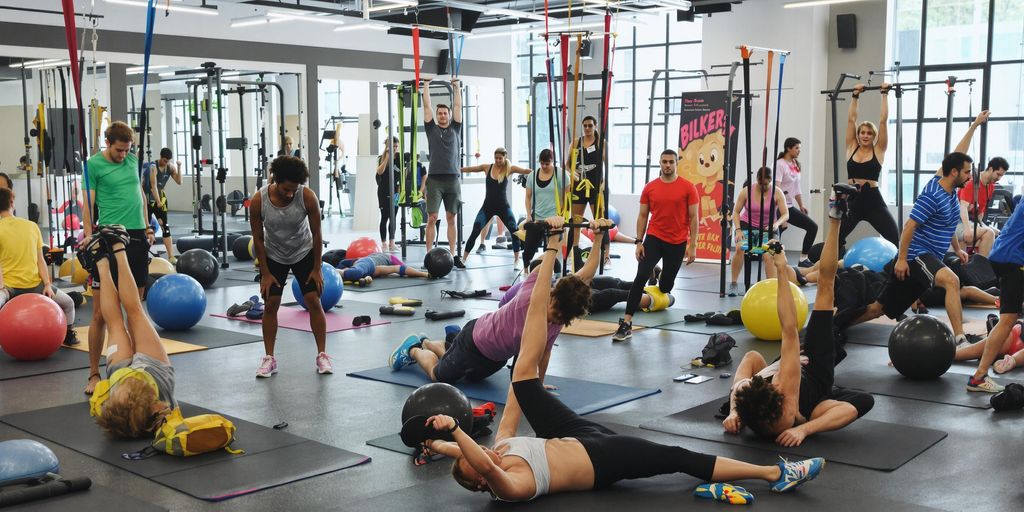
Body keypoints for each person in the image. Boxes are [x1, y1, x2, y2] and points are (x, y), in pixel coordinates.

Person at [420, 233, 824, 501]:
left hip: (570, 434)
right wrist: (455, 429)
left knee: (523, 380)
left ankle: (550, 249)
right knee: (675, 456)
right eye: (477, 464)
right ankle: (774, 473)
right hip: (599, 458)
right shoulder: (510, 487)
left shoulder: (499, 449)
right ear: (480, 481)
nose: (481, 456)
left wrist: (435, 443)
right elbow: (481, 462)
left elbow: (473, 450)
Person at [388, 218, 604, 419]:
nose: (554, 319)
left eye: (560, 319)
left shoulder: (558, 318)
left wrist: (599, 237)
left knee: (471, 378)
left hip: (496, 357)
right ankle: (415, 347)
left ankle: (443, 342)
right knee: (440, 376)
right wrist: (554, 238)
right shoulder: (534, 291)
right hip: (475, 341)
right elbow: (546, 263)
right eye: (554, 312)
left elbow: (586, 275)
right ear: (553, 294)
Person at [725, 187, 874, 446]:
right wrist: (734, 411)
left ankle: (835, 217)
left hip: (798, 366)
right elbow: (851, 410)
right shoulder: (751, 396)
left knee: (826, 287)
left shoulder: (784, 386)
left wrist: (782, 269)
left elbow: (788, 329)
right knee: (861, 402)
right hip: (817, 373)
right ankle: (836, 217)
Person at [845, 152, 976, 348]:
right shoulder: (933, 195)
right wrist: (902, 259)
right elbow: (909, 226)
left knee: (878, 309)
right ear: (954, 172)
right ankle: (960, 339)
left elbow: (948, 226)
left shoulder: (951, 195)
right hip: (917, 256)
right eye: (967, 172)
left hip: (928, 258)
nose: (970, 177)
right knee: (952, 281)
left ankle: (834, 325)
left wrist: (957, 250)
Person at [82, 121, 156, 395]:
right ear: (107, 142)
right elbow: (87, 204)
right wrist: (89, 234)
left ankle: (136, 366)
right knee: (101, 313)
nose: (123, 155)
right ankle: (93, 374)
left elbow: (141, 195)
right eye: (119, 150)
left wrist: (148, 226)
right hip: (109, 236)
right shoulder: (93, 166)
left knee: (135, 310)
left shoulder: (133, 160)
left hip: (136, 236)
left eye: (127, 150)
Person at [83, 227, 175, 438]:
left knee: (134, 313)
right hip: (120, 377)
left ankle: (118, 245)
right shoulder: (128, 411)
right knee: (118, 322)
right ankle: (101, 260)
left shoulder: (159, 407)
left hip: (149, 375)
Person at [249, 156, 330, 378]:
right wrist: (264, 273)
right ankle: (269, 358)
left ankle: (322, 355)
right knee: (271, 303)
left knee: (313, 300)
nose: (290, 194)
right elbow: (257, 239)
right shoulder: (259, 200)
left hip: (303, 251)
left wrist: (317, 267)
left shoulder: (307, 196)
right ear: (275, 180)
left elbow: (317, 234)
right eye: (286, 189)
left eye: (293, 189)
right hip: (274, 254)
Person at [612, 150, 699, 342]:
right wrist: (638, 241)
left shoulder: (688, 188)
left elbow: (694, 218)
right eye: (664, 162)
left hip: (677, 242)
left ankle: (659, 275)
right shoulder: (650, 188)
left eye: (671, 162)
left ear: (677, 163)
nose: (667, 165)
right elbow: (643, 215)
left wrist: (692, 245)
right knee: (640, 276)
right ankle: (626, 323)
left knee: (666, 286)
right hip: (654, 237)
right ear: (659, 163)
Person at [964, 162, 1024, 392]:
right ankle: (978, 377)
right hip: (1012, 259)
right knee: (1008, 319)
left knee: (1010, 318)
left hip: (1005, 256)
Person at [0, 187, 78, 346]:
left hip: (10, 288)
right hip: (28, 286)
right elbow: (40, 260)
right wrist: (47, 284)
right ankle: (69, 335)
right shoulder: (31, 226)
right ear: (12, 202)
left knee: (69, 302)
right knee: (68, 303)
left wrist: (1, 288)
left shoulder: (30, 227)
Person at [838, 83, 899, 248]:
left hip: (873, 199)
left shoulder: (879, 150)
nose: (865, 136)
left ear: (874, 136)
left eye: (869, 133)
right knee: (836, 238)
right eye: (862, 132)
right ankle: (831, 270)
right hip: (853, 199)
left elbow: (883, 121)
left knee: (895, 238)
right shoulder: (851, 147)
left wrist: (884, 94)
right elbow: (851, 119)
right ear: (858, 135)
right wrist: (855, 95)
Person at [461, 148, 530, 270]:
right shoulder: (487, 167)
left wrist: (541, 172)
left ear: (505, 157)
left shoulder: (509, 168)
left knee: (514, 231)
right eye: (496, 158)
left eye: (500, 158)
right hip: (487, 207)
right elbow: (471, 169)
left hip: (503, 207)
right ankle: (463, 259)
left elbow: (525, 170)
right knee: (475, 230)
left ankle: (516, 260)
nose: (498, 160)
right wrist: (457, 169)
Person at [727, 166, 791, 297]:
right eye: (761, 184)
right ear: (757, 180)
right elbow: (736, 212)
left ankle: (771, 287)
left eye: (766, 184)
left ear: (770, 181)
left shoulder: (777, 192)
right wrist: (738, 230)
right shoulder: (747, 191)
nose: (763, 187)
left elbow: (786, 214)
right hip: (747, 225)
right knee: (740, 248)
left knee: (769, 254)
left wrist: (776, 224)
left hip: (769, 227)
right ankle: (733, 284)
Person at [421, 78, 464, 266]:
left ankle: (453, 255)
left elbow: (457, 105)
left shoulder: (456, 127)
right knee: (432, 218)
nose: (443, 115)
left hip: (453, 179)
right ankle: (428, 255)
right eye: (440, 113)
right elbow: (426, 105)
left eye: (445, 113)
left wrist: (456, 87)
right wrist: (426, 85)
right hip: (435, 180)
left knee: (451, 218)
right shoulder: (431, 128)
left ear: (448, 115)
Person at [500, 261, 655, 313]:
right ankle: (652, 297)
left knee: (611, 282)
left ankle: (645, 282)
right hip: (568, 301)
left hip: (565, 289)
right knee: (612, 292)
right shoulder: (520, 297)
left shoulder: (531, 281)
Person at [955, 114, 1004, 257]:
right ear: (990, 169)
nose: (999, 178)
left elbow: (980, 214)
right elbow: (963, 208)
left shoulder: (991, 186)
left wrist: (979, 226)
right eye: (998, 174)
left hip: (973, 221)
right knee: (989, 233)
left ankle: (986, 264)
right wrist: (968, 229)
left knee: (999, 234)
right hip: (959, 222)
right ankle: (981, 270)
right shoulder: (971, 183)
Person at [565, 116, 606, 268]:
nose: (587, 128)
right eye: (585, 126)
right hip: (579, 187)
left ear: (595, 126)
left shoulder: (601, 143)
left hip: (595, 187)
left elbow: (607, 164)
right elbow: (567, 164)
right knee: (576, 222)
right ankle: (573, 254)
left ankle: (604, 255)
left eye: (590, 125)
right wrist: (572, 173)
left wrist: (604, 184)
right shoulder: (576, 142)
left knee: (600, 222)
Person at [775, 138, 817, 267]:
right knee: (776, 234)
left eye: (799, 148)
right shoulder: (779, 164)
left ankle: (803, 259)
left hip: (789, 206)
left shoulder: (795, 165)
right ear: (788, 148)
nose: (799, 151)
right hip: (777, 206)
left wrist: (801, 205)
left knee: (812, 227)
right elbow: (776, 188)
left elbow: (797, 188)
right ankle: (774, 262)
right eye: (797, 148)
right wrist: (783, 214)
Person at [522, 149, 562, 265]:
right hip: (537, 218)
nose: (544, 166)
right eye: (542, 163)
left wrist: (561, 216)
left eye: (547, 164)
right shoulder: (532, 176)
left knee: (550, 253)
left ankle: (553, 274)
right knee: (528, 251)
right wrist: (529, 215)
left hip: (554, 220)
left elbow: (566, 197)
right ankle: (526, 273)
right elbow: (528, 197)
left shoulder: (560, 175)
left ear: (552, 161)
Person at [144, 148, 183, 264]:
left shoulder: (170, 167)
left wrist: (179, 167)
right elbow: (153, 185)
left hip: (161, 198)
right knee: (144, 228)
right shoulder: (153, 167)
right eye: (164, 160)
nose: (166, 163)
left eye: (168, 161)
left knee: (165, 226)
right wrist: (157, 201)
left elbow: (179, 182)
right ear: (160, 157)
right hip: (147, 199)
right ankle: (143, 255)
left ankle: (171, 256)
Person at [335, 252, 430, 284]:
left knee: (356, 273)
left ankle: (339, 270)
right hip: (367, 262)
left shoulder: (378, 267)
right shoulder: (390, 258)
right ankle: (334, 271)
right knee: (356, 273)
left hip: (362, 262)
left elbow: (401, 269)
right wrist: (424, 274)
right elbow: (402, 269)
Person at [376, 137, 400, 252]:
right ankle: (384, 243)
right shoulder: (381, 158)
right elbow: (379, 172)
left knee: (393, 218)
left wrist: (400, 192)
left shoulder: (399, 159)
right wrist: (387, 158)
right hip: (383, 192)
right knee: (384, 217)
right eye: (393, 146)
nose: (395, 148)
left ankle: (392, 242)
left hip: (396, 193)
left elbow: (402, 176)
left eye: (396, 146)